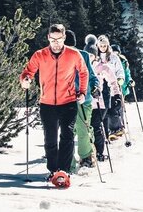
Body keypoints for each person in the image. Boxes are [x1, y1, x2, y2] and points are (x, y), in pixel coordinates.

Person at [19, 23, 88, 182]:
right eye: (53, 39)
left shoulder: (73, 54)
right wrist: (25, 80)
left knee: (67, 135)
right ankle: (53, 170)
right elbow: (28, 72)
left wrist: (82, 92)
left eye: (59, 39)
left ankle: (63, 171)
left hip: (69, 102)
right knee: (50, 138)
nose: (56, 43)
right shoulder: (39, 55)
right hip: (47, 103)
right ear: (48, 38)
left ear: (64, 38)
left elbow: (83, 73)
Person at [66, 29, 100, 171]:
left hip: (83, 99)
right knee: (67, 131)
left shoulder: (84, 56)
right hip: (64, 100)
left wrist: (95, 87)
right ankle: (68, 161)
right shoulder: (57, 57)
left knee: (82, 129)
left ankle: (86, 157)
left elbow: (92, 76)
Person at [83, 34, 115, 160]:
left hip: (99, 103)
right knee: (87, 129)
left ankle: (100, 152)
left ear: (96, 55)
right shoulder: (82, 66)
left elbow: (112, 81)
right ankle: (90, 152)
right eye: (88, 55)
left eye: (92, 55)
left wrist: (115, 95)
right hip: (86, 102)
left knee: (96, 126)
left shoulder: (102, 66)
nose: (90, 57)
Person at [95, 35, 126, 139]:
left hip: (112, 85)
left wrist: (120, 78)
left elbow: (120, 70)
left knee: (113, 108)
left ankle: (116, 129)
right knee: (104, 110)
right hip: (101, 86)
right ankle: (106, 130)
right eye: (101, 46)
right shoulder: (96, 57)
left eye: (104, 45)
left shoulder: (113, 57)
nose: (103, 48)